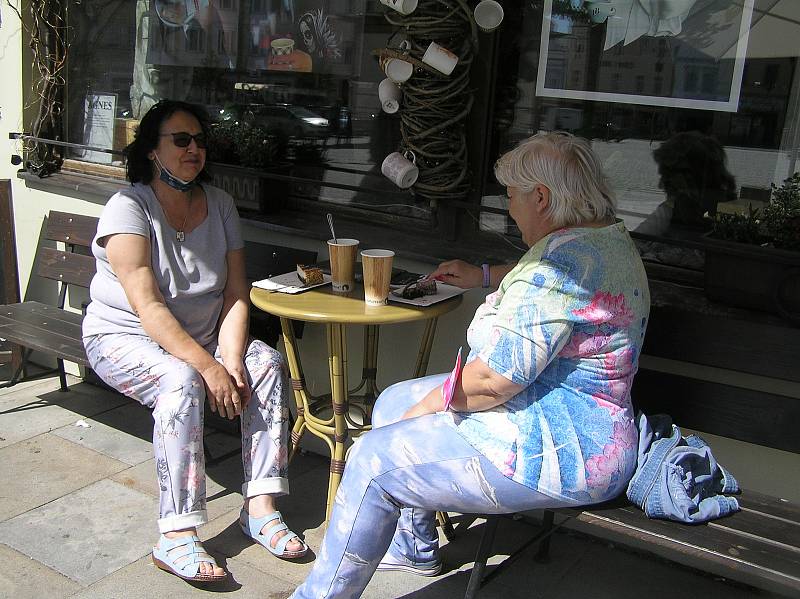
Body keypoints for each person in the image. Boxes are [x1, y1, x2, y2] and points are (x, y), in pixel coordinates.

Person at [290, 131, 651, 598]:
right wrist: (484, 276)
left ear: (541, 197)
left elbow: (489, 383)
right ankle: (414, 546)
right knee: (394, 401)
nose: (510, 207)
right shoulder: (599, 239)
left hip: (565, 449)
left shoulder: (561, 269)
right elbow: (549, 286)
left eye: (513, 196)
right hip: (568, 414)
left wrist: (427, 411)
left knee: (372, 457)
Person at [82, 100, 307, 584]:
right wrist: (209, 368)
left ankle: (260, 506)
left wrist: (230, 359)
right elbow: (149, 307)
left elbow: (234, 294)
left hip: (203, 334)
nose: (194, 149)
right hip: (124, 337)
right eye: (180, 140)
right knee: (180, 382)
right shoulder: (128, 207)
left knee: (264, 362)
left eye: (200, 140)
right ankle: (177, 534)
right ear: (151, 152)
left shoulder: (220, 203)